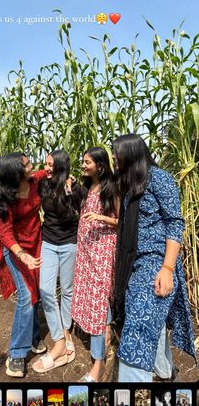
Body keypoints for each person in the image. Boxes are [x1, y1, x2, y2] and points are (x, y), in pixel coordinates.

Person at [113, 133, 196, 382]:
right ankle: (166, 373)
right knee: (152, 325)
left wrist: (168, 269)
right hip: (135, 267)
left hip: (156, 265)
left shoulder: (160, 179)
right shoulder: (130, 184)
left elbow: (174, 224)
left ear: (131, 155)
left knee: (136, 334)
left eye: (118, 157)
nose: (115, 161)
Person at [0, 152, 47, 377]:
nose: (32, 166)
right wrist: (23, 255)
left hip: (36, 244)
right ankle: (16, 355)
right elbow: (6, 234)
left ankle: (33, 338)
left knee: (36, 293)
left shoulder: (34, 181)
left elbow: (48, 171)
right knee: (26, 298)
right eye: (26, 165)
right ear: (14, 173)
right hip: (16, 250)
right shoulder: (5, 198)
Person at [71, 147, 119, 382]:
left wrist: (100, 217)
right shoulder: (89, 186)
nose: (83, 164)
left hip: (102, 254)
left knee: (98, 305)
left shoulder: (111, 188)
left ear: (100, 165)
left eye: (86, 161)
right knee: (95, 301)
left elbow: (120, 221)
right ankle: (106, 332)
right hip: (87, 253)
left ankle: (97, 366)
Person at [32, 150, 83, 373]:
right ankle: (59, 338)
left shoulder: (75, 187)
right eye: (46, 164)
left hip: (70, 243)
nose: (47, 168)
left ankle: (65, 332)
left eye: (51, 165)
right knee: (46, 290)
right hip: (49, 243)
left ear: (61, 166)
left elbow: (80, 212)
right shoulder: (42, 184)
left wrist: (71, 192)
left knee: (68, 291)